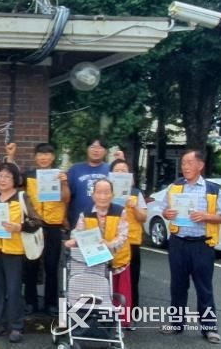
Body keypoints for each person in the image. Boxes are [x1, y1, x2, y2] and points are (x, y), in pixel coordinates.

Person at [160, 150, 221, 344]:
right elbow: (164, 210)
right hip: (178, 242)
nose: (185, 167)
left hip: (202, 244)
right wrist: (167, 213)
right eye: (183, 163)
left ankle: (209, 328)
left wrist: (206, 216)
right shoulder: (175, 186)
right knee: (178, 286)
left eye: (189, 163)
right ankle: (176, 323)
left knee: (204, 287)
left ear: (200, 165)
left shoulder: (212, 189)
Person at [0, 162, 42, 344]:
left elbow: (37, 221)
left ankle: (16, 326)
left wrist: (20, 227)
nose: (3, 180)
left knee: (14, 290)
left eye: (7, 176)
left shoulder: (22, 197)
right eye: (0, 176)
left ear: (15, 179)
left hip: (14, 251)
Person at [65, 179, 131, 327]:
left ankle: (119, 325)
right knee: (97, 291)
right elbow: (78, 232)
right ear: (93, 194)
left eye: (106, 193)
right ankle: (95, 322)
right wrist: (73, 240)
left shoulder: (120, 211)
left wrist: (109, 244)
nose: (102, 196)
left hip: (117, 259)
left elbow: (123, 236)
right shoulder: (86, 213)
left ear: (112, 195)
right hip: (95, 261)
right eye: (99, 192)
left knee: (119, 293)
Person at [23, 143, 70, 316]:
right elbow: (20, 195)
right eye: (40, 154)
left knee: (52, 265)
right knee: (31, 264)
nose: (43, 157)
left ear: (53, 157)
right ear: (35, 157)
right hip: (33, 224)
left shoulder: (59, 175)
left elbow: (66, 198)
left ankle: (51, 304)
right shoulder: (28, 176)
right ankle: (30, 302)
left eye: (47, 154)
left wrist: (63, 183)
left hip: (53, 225)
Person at [109, 158, 147, 318]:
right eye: (117, 171)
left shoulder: (136, 193)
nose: (120, 174)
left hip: (131, 243)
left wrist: (134, 206)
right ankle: (109, 312)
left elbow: (143, 217)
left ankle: (132, 314)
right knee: (110, 279)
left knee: (132, 280)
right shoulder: (105, 192)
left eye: (123, 171)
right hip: (111, 243)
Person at [66, 137, 112, 227]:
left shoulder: (111, 170)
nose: (96, 150)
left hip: (106, 221)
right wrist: (64, 217)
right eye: (92, 147)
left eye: (100, 147)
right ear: (87, 149)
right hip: (79, 220)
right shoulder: (75, 169)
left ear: (105, 151)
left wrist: (121, 163)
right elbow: (66, 197)